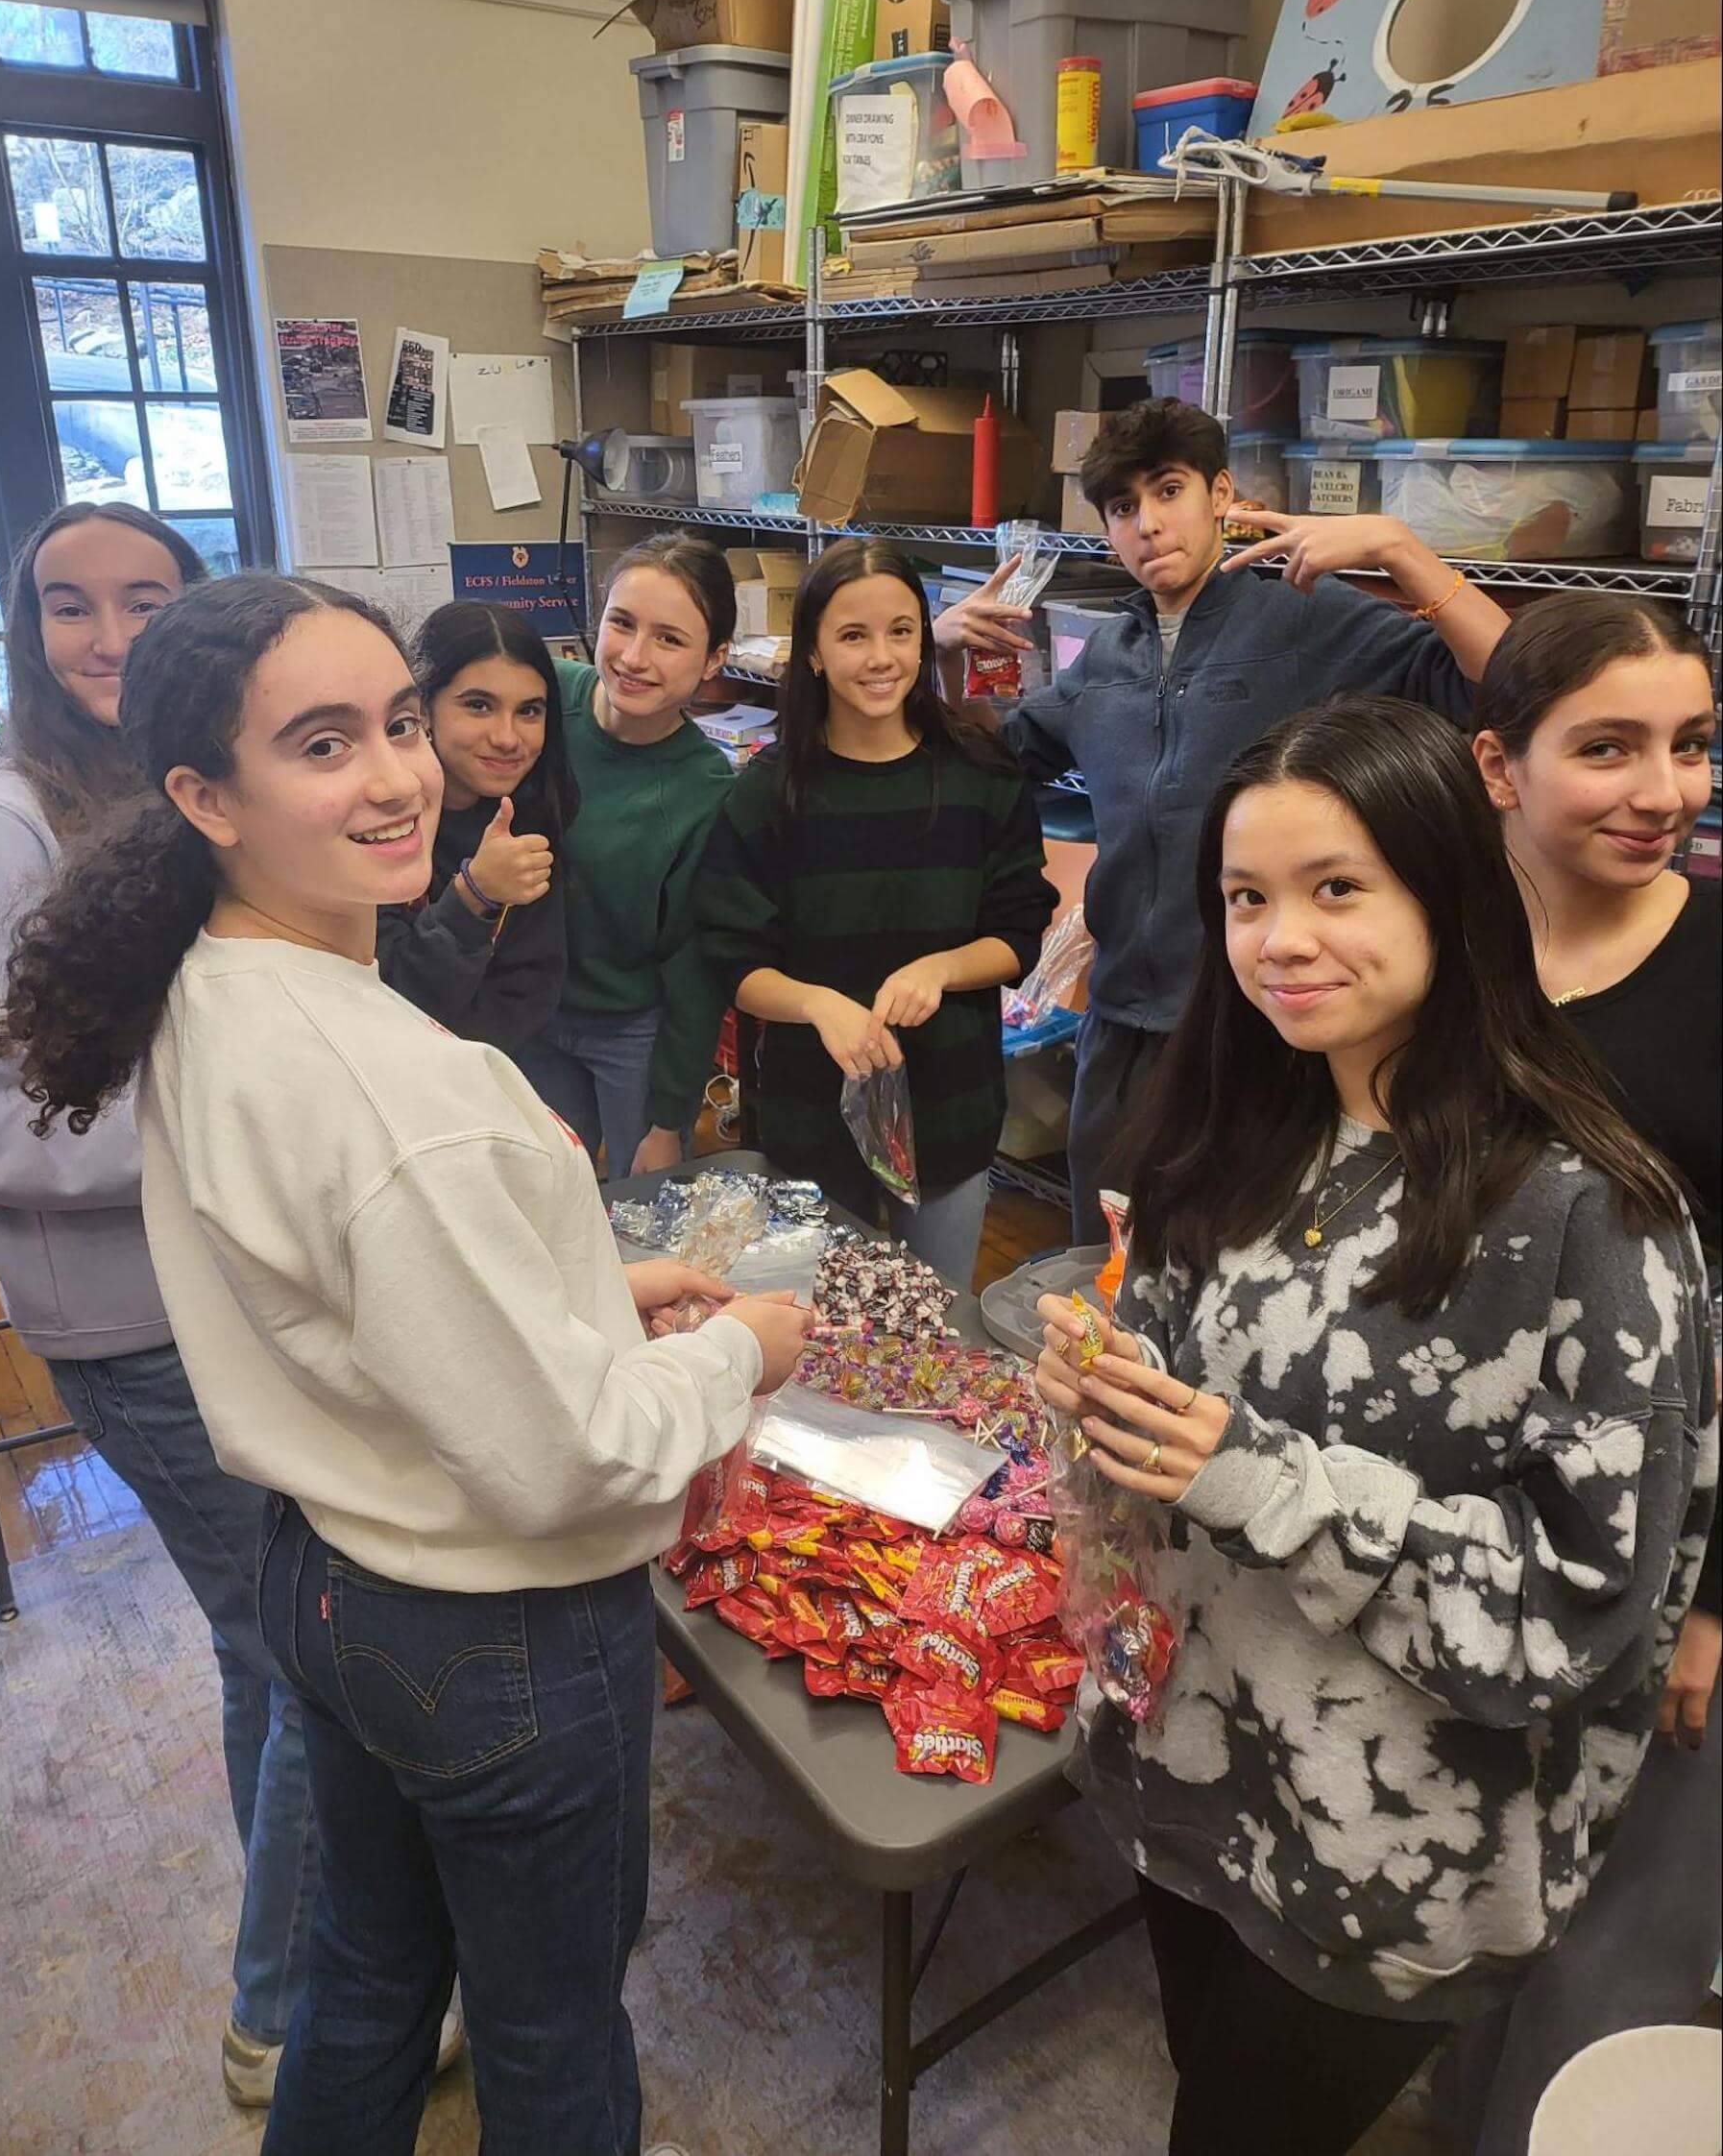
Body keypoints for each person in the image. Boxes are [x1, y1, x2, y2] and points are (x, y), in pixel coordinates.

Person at [0, 569, 809, 2156]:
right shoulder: (393, 1087)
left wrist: (582, 1273)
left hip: (329, 1572)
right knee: (550, 2024)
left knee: (368, 1970)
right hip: (490, 1624)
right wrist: (741, 1353)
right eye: (320, 742)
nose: (396, 775)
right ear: (203, 794)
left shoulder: (228, 985)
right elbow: (566, 1454)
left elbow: (359, 1302)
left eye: (392, 720)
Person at [1031, 695, 1714, 2156]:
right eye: (1247, 897)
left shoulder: (1589, 1211)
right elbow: (1182, 1384)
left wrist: (1262, 1480)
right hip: (1186, 1767)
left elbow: (1581, 1602)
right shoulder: (1236, 1124)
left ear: (1446, 889)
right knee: (1199, 2083)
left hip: (1386, 1853)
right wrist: (1113, 1374)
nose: (1282, 938)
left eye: (1338, 887)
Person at [0, 502, 328, 2106]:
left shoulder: (179, 794)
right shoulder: (15, 826)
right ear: (26, 626)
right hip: (134, 1320)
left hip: (233, 1292)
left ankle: (315, 1951)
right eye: (70, 604)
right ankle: (284, 2011)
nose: (107, 636)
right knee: (291, 1647)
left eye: (144, 601)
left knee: (268, 1643)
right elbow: (18, 1121)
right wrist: (248, 1108)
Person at [934, 397, 1515, 1241]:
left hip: (1269, 1022)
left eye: (1169, 491)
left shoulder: (1308, 614)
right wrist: (944, 654)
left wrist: (1400, 549)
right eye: (1124, 508)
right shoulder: (1109, 654)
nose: (1148, 524)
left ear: (1221, 496)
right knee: (1108, 1257)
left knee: (1252, 1261)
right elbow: (997, 759)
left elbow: (1502, 684)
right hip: (1126, 1014)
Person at [1433, 596, 1722, 2156]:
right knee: (1474, 1867)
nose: (1662, 789)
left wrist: (1717, 1597)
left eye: (1688, 743)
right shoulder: (1439, 953)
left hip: (1672, 1533)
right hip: (1460, 1517)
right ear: (1498, 763)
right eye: (1607, 746)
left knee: (1618, 1928)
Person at [697, 539, 1056, 1290]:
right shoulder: (772, 790)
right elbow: (734, 959)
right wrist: (819, 1004)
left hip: (951, 1106)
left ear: (925, 639)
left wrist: (942, 967)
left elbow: (1020, 931)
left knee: (939, 1321)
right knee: (818, 1331)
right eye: (853, 636)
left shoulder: (980, 775)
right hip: (809, 1112)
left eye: (901, 631)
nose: (881, 656)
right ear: (816, 654)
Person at [520, 534, 736, 1177]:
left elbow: (694, 971)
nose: (635, 657)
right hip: (530, 1007)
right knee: (545, 1191)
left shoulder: (707, 791)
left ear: (714, 658)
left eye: (670, 639)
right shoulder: (543, 701)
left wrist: (668, 1119)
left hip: (631, 1029)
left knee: (647, 1215)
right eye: (622, 623)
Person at [376, 599, 570, 1056]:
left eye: (529, 711)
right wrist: (475, 895)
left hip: (492, 1071)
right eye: (479, 706)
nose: (507, 737)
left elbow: (530, 988)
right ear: (422, 707)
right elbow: (389, 999)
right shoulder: (378, 819)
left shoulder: (533, 812)